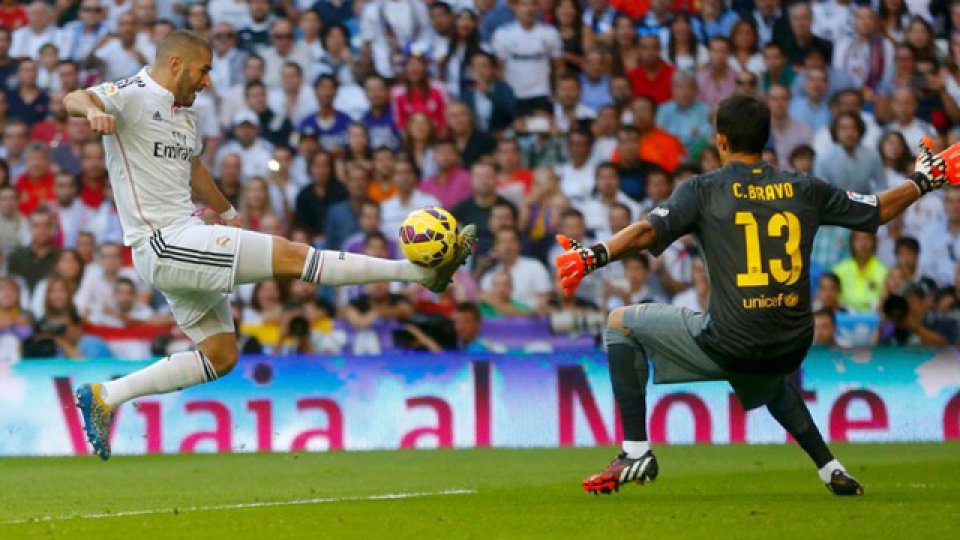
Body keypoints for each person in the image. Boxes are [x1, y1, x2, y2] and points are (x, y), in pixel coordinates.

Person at [63, 30, 476, 461]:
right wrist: (93, 111)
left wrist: (225, 212)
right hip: (163, 242)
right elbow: (74, 98)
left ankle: (105, 396)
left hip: (185, 238)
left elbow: (193, 167)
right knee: (294, 257)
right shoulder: (131, 94)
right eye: (203, 70)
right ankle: (420, 274)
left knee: (221, 355)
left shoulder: (185, 116)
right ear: (176, 65)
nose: (206, 81)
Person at [555, 93, 952, 496]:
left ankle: (635, 450)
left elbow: (646, 231)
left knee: (620, 323)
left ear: (721, 140)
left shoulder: (703, 190)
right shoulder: (805, 188)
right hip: (792, 341)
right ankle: (828, 466)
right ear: (765, 140)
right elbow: (878, 209)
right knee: (762, 373)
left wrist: (593, 255)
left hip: (733, 339)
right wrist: (922, 181)